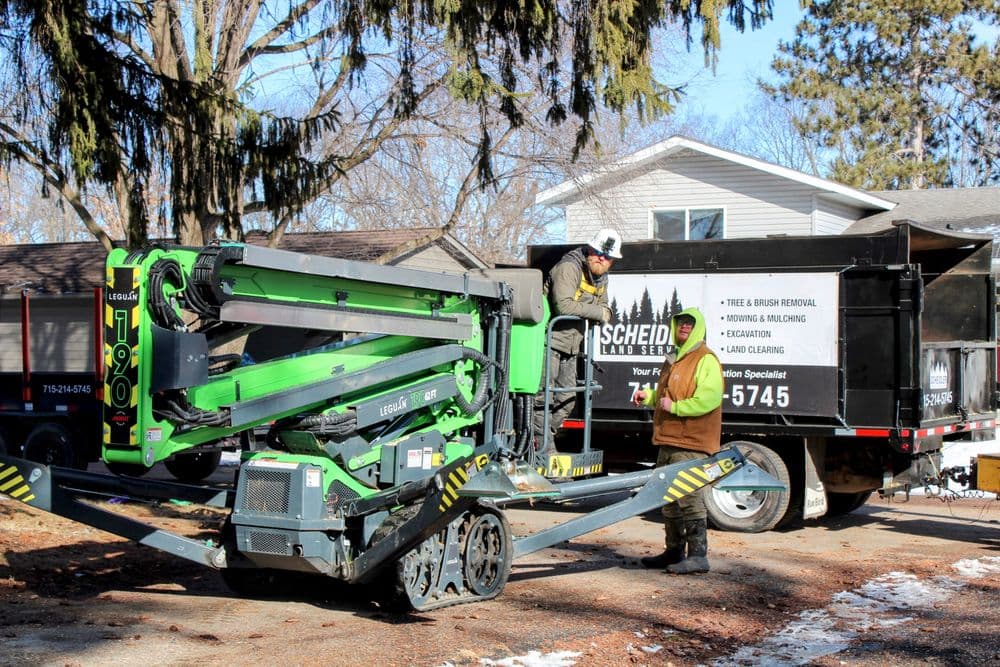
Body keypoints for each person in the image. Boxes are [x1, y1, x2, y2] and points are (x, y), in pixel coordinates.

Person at [632, 307, 723, 574]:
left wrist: (677, 408)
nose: (684, 326)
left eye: (690, 323)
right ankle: (673, 552)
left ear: (698, 328)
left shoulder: (706, 359)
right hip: (669, 438)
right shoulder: (674, 359)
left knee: (688, 497)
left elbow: (709, 399)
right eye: (681, 322)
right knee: (667, 497)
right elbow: (667, 394)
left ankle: (698, 556)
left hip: (691, 442)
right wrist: (648, 396)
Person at [532, 228, 622, 464]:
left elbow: (606, 308)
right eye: (600, 253)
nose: (602, 259)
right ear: (590, 249)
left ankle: (537, 439)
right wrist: (598, 312)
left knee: (568, 399)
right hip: (548, 342)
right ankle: (544, 451)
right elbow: (564, 306)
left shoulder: (601, 277)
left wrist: (602, 312)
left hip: (572, 346)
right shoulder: (568, 267)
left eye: (608, 257)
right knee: (543, 398)